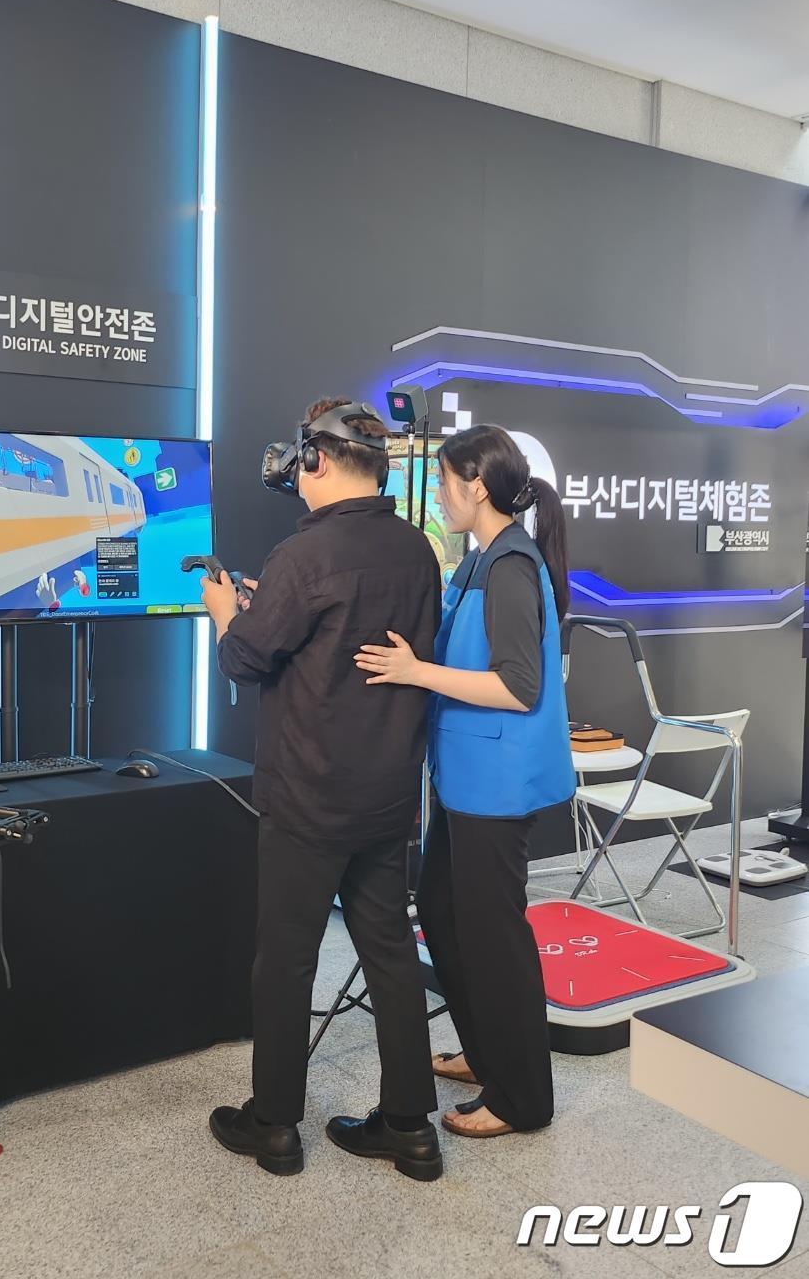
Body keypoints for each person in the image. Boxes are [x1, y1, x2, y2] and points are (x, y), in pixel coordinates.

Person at [201, 397, 443, 1180]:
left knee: (286, 960)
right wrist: (263, 608)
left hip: (308, 795)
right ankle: (410, 1127)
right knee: (391, 952)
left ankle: (274, 1124)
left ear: (318, 459)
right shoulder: (417, 549)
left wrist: (225, 613)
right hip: (387, 790)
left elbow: (246, 659)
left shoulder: (303, 556)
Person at [354, 424, 575, 1140]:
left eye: (446, 483)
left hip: (497, 784)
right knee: (445, 915)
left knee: (493, 937)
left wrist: (417, 673)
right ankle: (487, 1056)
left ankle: (523, 1099)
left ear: (476, 486)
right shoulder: (478, 559)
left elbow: (517, 686)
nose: (440, 496)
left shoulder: (511, 566)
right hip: (465, 778)